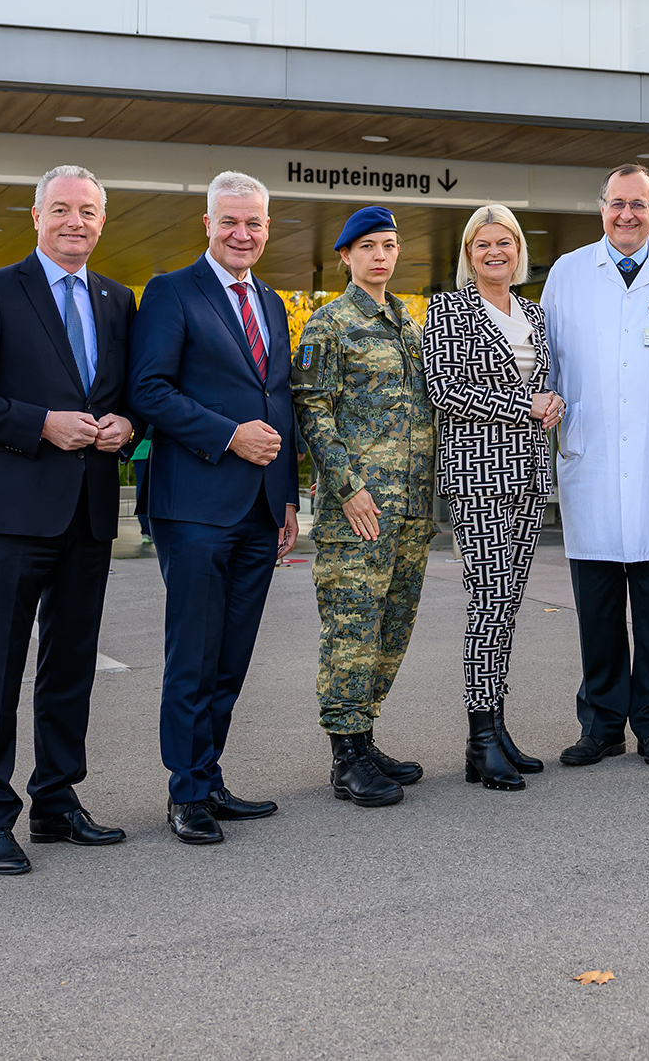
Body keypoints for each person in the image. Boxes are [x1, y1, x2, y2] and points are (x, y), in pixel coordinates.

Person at [0, 165, 136, 876]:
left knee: (70, 667)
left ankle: (55, 800)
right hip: (13, 516)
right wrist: (38, 423)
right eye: (62, 209)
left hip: (88, 513)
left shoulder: (117, 300)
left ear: (102, 219)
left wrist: (124, 427)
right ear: (36, 215)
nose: (75, 220)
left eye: (88, 209)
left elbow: (127, 398)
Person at [129, 170, 301, 845]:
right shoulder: (172, 292)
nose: (242, 233)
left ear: (267, 228)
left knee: (231, 656)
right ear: (207, 224)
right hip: (195, 504)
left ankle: (209, 773)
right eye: (230, 221)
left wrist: (287, 498)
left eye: (254, 222)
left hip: (260, 509)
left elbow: (278, 403)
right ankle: (186, 793)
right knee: (193, 655)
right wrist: (227, 435)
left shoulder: (273, 301)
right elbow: (149, 390)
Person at [541, 162, 649, 768]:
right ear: (601, 207)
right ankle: (601, 723)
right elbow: (548, 363)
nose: (627, 214)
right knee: (600, 607)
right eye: (617, 203)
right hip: (592, 456)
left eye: (639, 204)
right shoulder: (568, 273)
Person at [292, 206, 437, 810]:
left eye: (390, 245)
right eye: (368, 247)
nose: (381, 256)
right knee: (351, 630)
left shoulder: (406, 324)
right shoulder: (329, 325)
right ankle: (345, 755)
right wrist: (350, 487)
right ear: (347, 256)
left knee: (392, 627)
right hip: (359, 509)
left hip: (409, 508)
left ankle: (365, 732)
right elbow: (312, 411)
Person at [421, 203, 565, 791]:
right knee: (488, 604)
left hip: (529, 474)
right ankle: (480, 738)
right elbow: (445, 390)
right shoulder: (447, 311)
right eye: (482, 245)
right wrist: (522, 406)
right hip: (478, 475)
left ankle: (497, 728)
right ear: (468, 254)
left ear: (518, 251)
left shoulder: (533, 313)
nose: (495, 252)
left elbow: (542, 384)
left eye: (504, 242)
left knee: (507, 605)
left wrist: (551, 402)